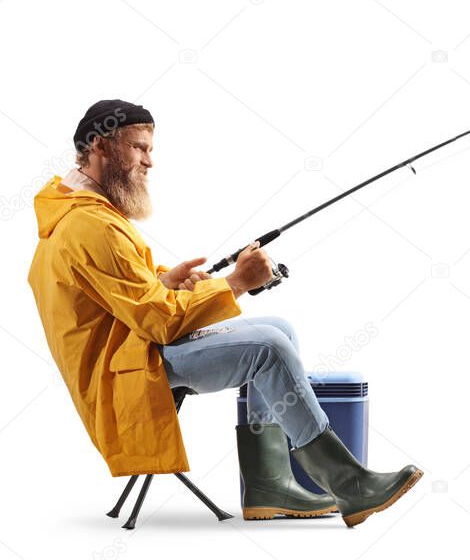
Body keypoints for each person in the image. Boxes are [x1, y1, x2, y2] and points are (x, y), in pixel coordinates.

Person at [27, 99, 421, 527]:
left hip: (129, 347)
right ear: (101, 147)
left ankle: (269, 484)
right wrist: (235, 283)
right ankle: (350, 484)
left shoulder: (79, 208)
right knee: (268, 348)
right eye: (139, 148)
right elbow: (158, 321)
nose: (149, 162)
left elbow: (118, 297)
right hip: (126, 369)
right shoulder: (91, 224)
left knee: (279, 328)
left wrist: (166, 282)